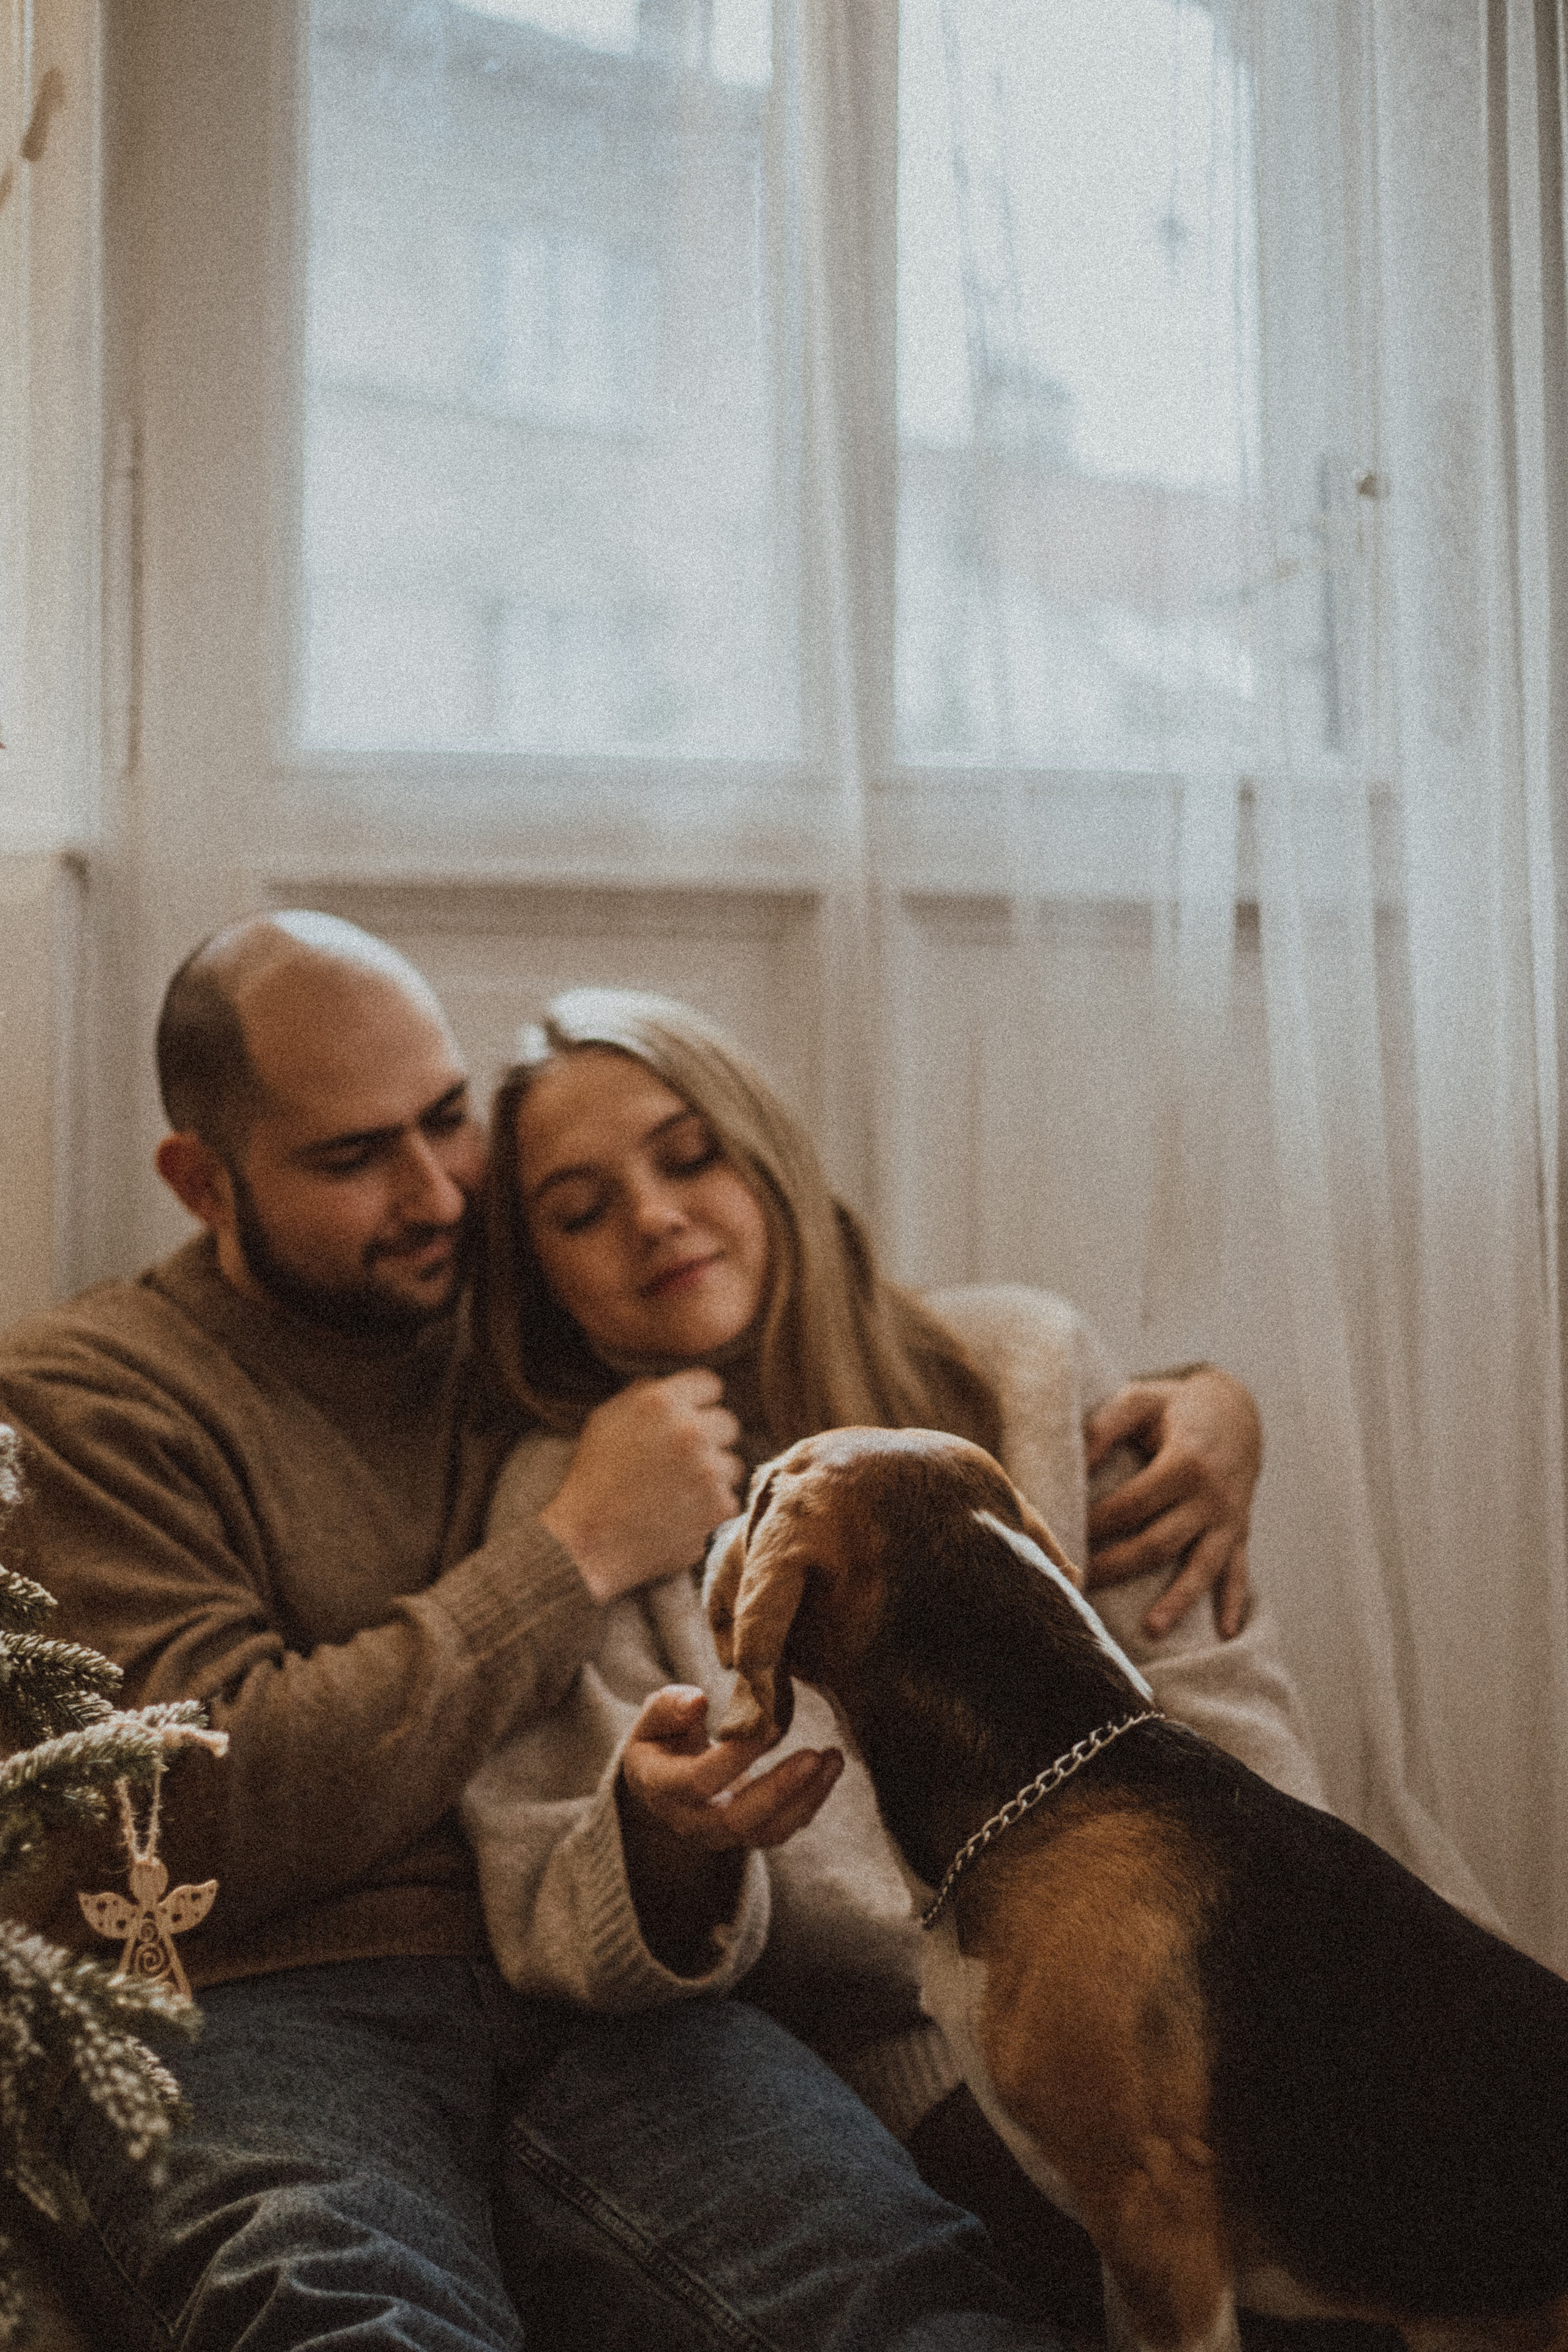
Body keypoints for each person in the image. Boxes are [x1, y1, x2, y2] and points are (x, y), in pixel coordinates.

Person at [0, 912, 1087, 2352]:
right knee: (346, 2312)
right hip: (252, 2000)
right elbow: (172, 1811)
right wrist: (571, 1551)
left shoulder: (519, 1320)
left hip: (604, 2005)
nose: (436, 1193)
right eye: (349, 1157)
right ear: (201, 1181)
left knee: (897, 2296)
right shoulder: (87, 1398)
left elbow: (820, 1315)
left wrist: (1189, 1403)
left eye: (446, 1121)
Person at [459, 986, 1327, 2312]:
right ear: (542, 1281)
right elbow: (560, 1895)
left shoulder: (1023, 1364)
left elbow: (1227, 1718)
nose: (651, 1216)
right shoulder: (566, 1494)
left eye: (689, 1156)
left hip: (1201, 1986)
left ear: (769, 1157)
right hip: (929, 2079)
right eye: (579, 1211)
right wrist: (665, 1833)